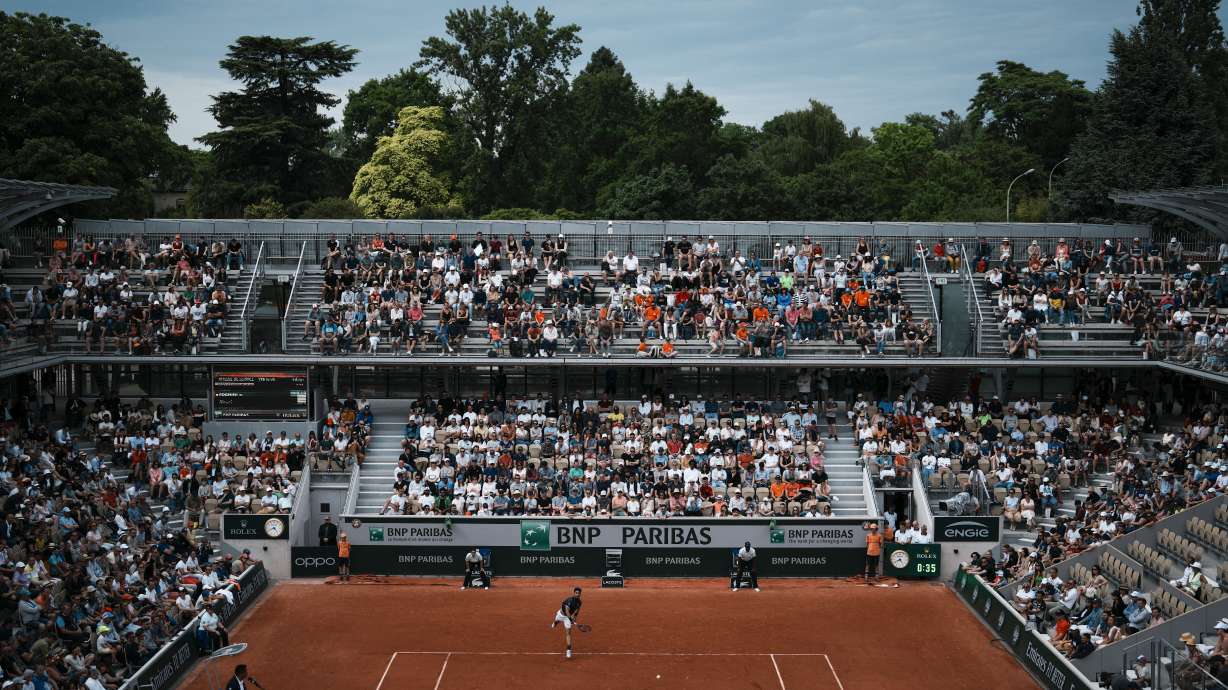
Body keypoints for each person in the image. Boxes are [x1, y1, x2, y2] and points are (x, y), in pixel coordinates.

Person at [551, 587, 583, 659]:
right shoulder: (569, 600)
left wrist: (574, 618)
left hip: (567, 619)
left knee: (568, 633)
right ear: (574, 593)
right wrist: (571, 619)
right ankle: (555, 623)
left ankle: (568, 649)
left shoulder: (579, 602)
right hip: (561, 614)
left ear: (580, 594)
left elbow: (577, 611)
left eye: (579, 593)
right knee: (557, 621)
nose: (577, 594)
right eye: (576, 593)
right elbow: (567, 611)